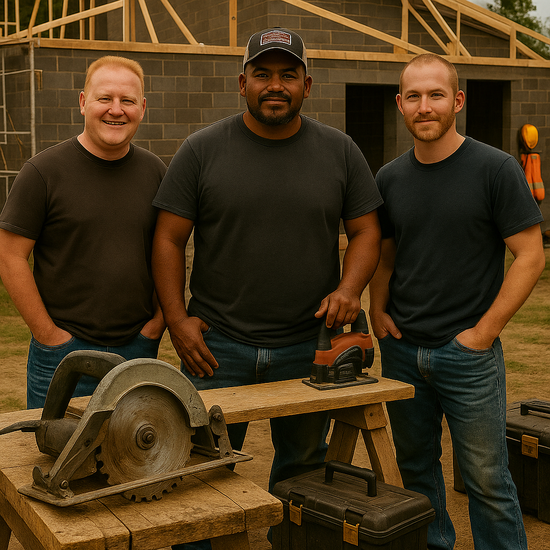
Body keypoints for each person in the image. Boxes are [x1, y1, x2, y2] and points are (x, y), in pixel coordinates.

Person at [152, 27, 382, 548]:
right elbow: (168, 240)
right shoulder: (201, 150)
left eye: (287, 74)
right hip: (217, 348)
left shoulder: (340, 151)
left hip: (309, 347)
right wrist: (176, 319)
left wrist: (350, 289)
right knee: (200, 474)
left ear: (308, 84)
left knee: (301, 471)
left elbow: (367, 231)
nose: (274, 85)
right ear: (242, 83)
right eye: (262, 74)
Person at [369, 53, 545, 550]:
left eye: (437, 95)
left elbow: (530, 257)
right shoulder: (389, 178)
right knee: (415, 470)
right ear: (401, 104)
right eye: (415, 97)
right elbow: (386, 259)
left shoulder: (496, 169)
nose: (425, 106)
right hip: (402, 352)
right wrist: (378, 311)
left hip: (468, 356)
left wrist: (483, 334)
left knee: (488, 480)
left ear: (457, 102)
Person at [0, 56, 167, 409]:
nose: (116, 110)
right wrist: (48, 336)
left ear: (143, 108)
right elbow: (9, 255)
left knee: (132, 458)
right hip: (62, 353)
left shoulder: (156, 172)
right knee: (55, 458)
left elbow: (166, 250)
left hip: (138, 349)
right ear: (82, 102)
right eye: (105, 98)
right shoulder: (43, 172)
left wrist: (157, 322)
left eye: (128, 101)